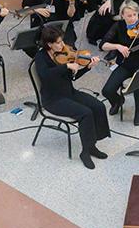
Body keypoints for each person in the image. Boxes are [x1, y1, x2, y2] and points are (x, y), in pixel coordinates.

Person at [33, 25, 109, 169]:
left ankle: (92, 145)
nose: (63, 45)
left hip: (69, 92)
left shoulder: (64, 54)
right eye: (59, 43)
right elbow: (45, 75)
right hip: (53, 99)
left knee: (98, 106)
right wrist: (66, 67)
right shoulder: (41, 56)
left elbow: (72, 78)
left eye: (62, 41)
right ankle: (85, 152)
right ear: (49, 44)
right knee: (85, 113)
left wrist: (86, 67)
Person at [101, 0, 139, 125]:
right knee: (107, 90)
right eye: (129, 16)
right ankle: (117, 101)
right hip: (125, 64)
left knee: (138, 86)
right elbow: (103, 45)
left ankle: (138, 112)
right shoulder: (118, 26)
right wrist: (118, 46)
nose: (133, 19)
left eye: (135, 15)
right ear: (122, 15)